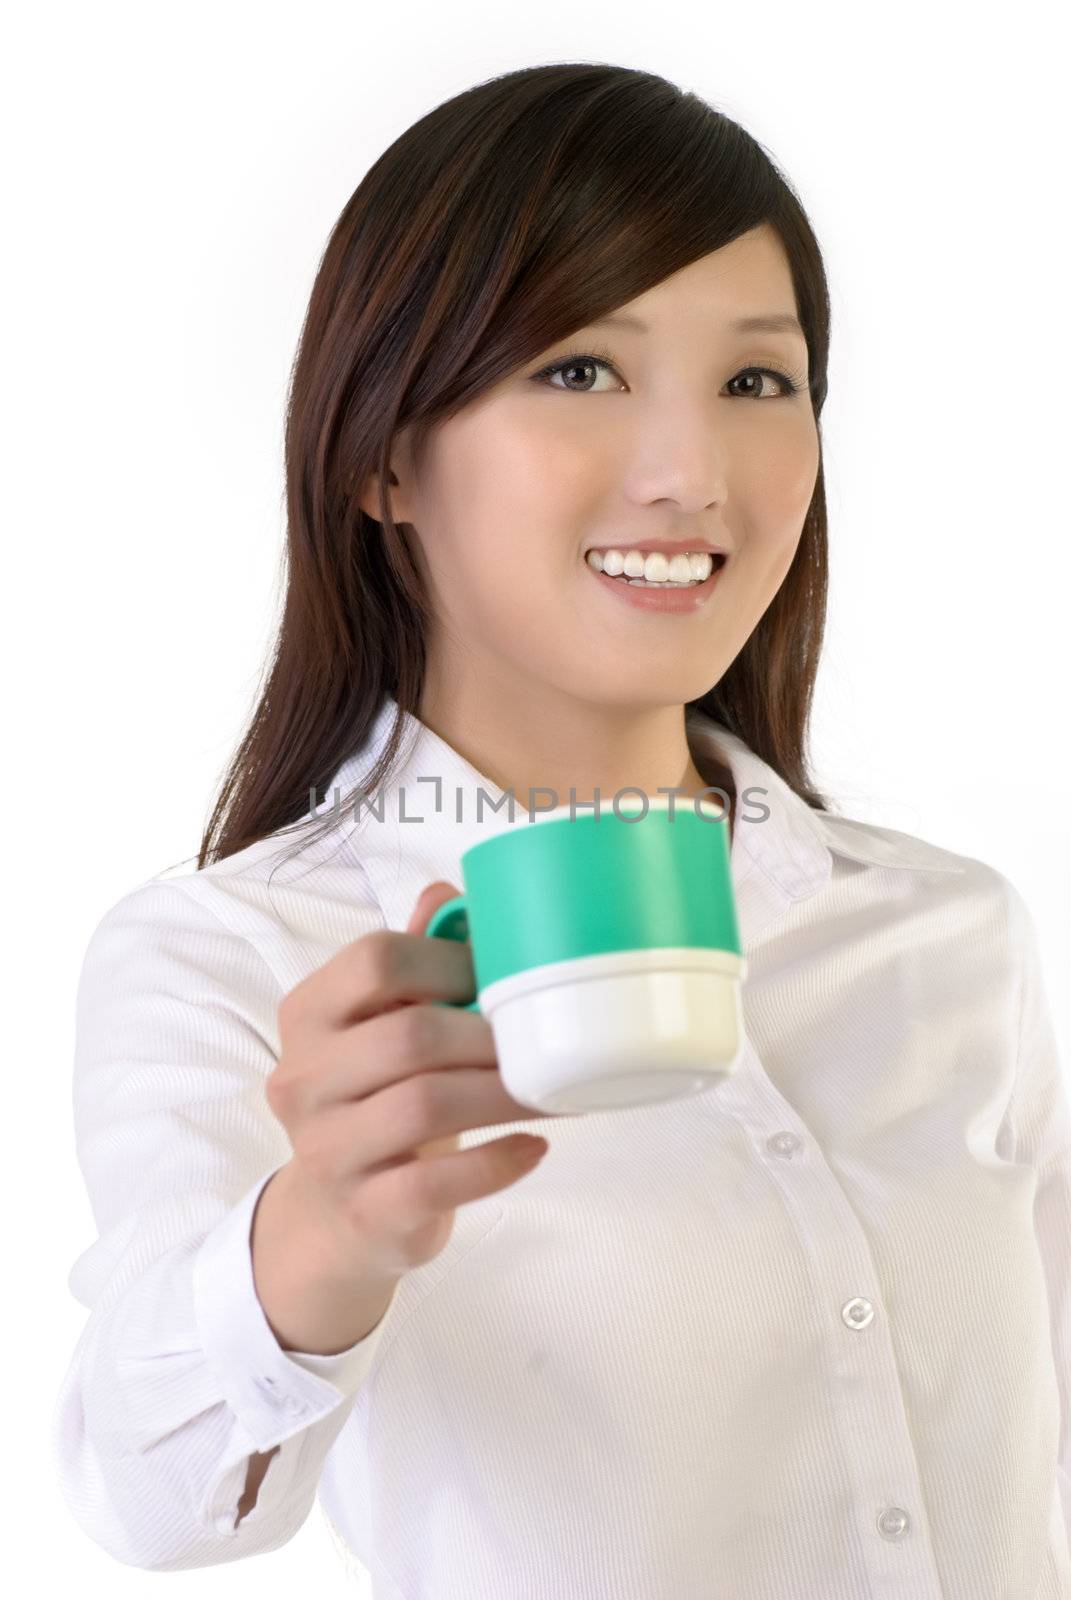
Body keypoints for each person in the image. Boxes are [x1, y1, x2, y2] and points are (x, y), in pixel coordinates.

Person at [52, 62, 1070, 1596]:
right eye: (582, 370)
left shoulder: (943, 932)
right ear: (386, 455)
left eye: (758, 381)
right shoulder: (244, 961)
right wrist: (321, 1232)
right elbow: (157, 1500)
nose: (692, 477)